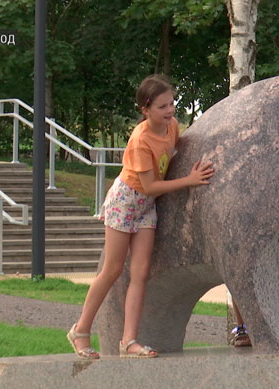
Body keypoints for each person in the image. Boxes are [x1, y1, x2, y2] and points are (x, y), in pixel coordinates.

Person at [67, 74, 215, 359]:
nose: (170, 110)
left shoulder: (171, 127)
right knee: (111, 270)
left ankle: (129, 341)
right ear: (146, 110)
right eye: (162, 106)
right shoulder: (140, 140)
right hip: (126, 202)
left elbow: (172, 156)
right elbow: (149, 186)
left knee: (141, 273)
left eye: (172, 103)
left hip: (146, 207)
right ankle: (81, 330)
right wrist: (190, 180)